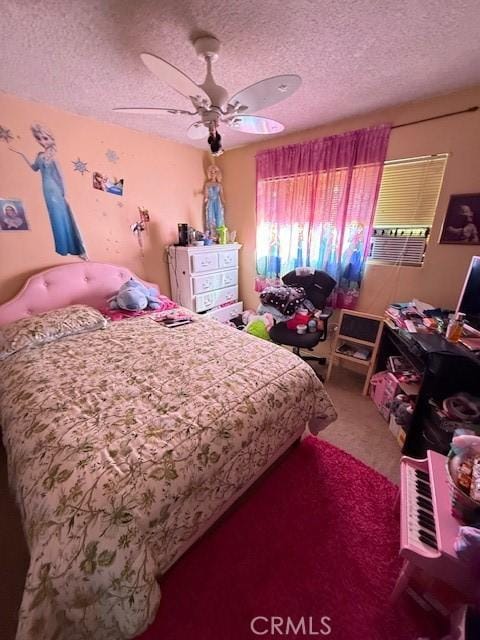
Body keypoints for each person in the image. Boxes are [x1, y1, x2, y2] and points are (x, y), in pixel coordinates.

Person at [9, 124, 87, 258]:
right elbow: (34, 168)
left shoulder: (53, 156)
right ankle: (62, 248)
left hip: (55, 189)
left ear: (51, 139)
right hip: (46, 189)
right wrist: (22, 154)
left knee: (61, 216)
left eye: (45, 138)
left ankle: (75, 248)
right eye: (39, 139)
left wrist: (65, 193)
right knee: (54, 217)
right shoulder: (40, 155)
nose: (42, 141)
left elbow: (60, 176)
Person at [204, 164, 225, 235]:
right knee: (210, 216)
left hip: (217, 202)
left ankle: (219, 234)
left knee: (219, 217)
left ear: (217, 174)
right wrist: (206, 199)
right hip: (210, 202)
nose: (213, 174)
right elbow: (206, 194)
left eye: (214, 172)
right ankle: (212, 234)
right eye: (211, 172)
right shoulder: (207, 184)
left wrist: (223, 202)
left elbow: (221, 194)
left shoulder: (219, 185)